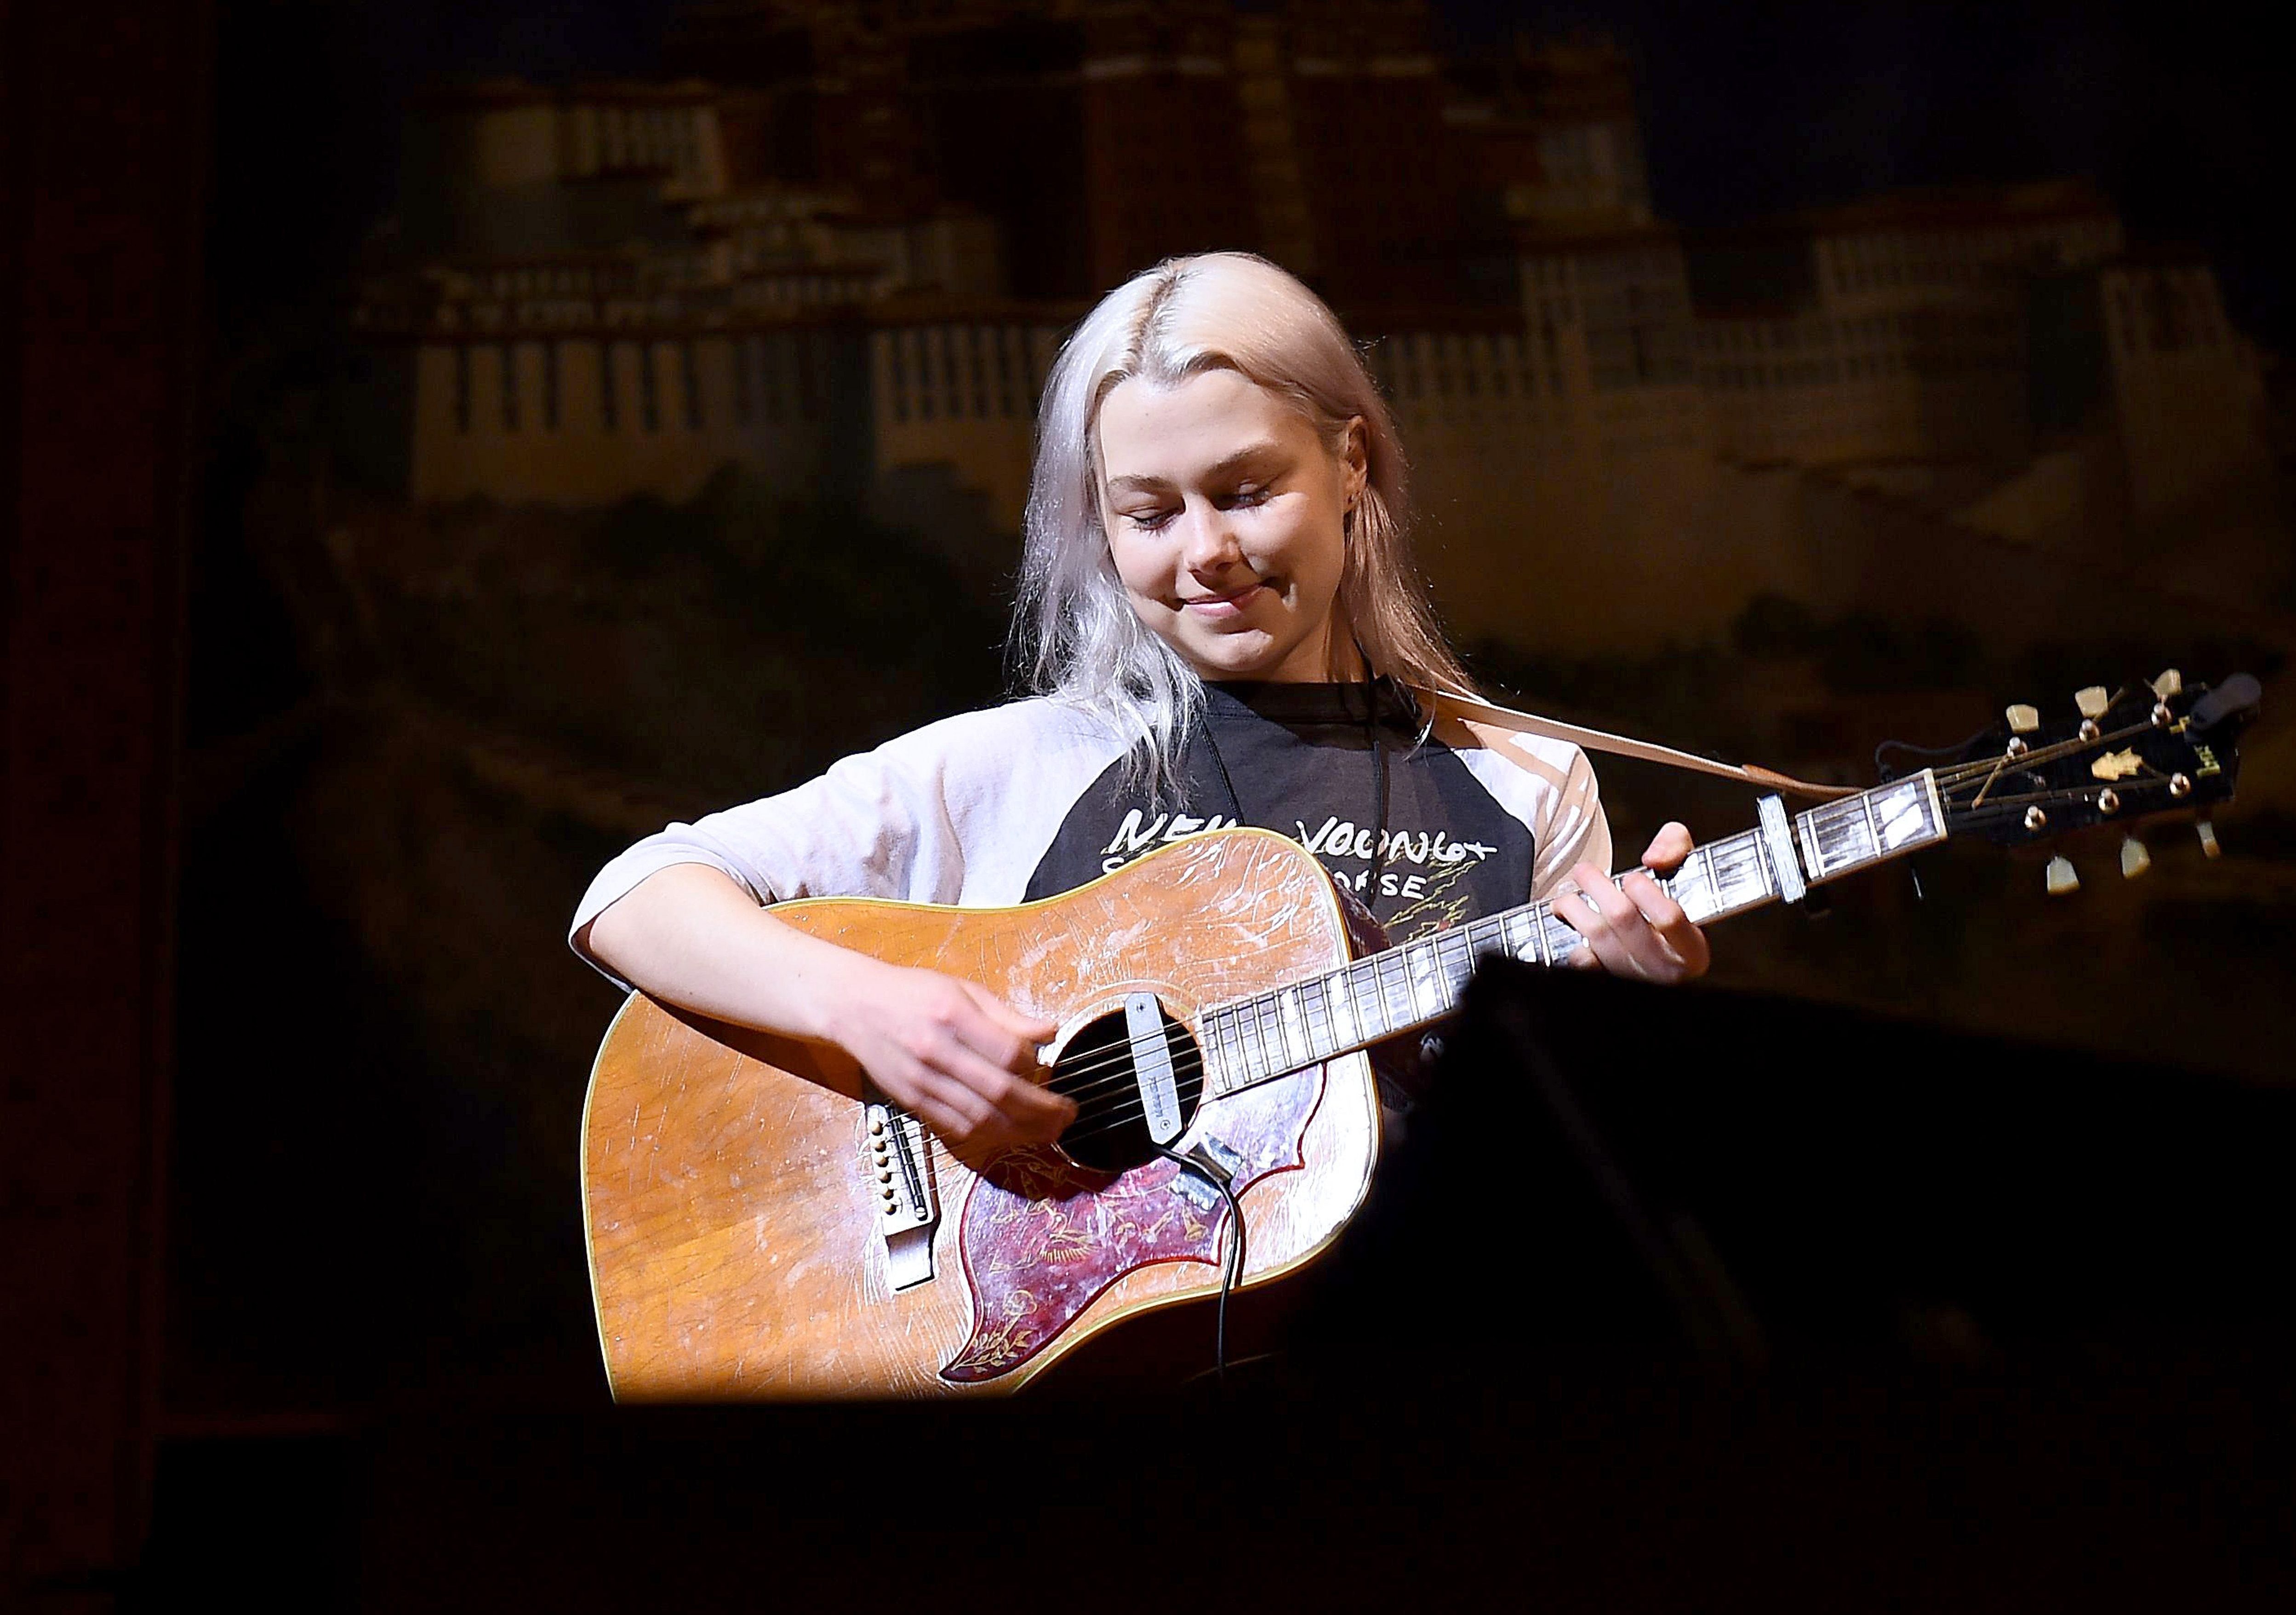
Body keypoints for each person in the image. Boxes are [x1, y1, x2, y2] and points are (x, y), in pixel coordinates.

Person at [573, 251, 1708, 1164]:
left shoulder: (1523, 780)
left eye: (1248, 491)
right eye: (1151, 512)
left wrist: (1636, 1030)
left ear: (1352, 463)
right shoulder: (1026, 764)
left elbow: (1574, 1171)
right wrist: (869, 1012)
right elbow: (632, 897)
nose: (1207, 551)